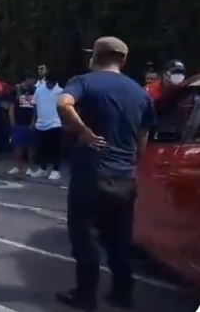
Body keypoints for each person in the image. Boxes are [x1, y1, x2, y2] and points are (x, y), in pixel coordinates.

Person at [55, 37, 154, 310]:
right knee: (120, 239)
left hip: (92, 174)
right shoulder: (141, 93)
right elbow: (142, 137)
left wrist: (84, 131)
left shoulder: (84, 81)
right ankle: (123, 294)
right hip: (124, 176)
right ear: (123, 60)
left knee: (84, 235)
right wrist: (134, 164)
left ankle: (86, 295)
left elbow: (64, 104)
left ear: (95, 57)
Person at [30, 73, 63, 180]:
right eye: (48, 83)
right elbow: (34, 105)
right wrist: (33, 121)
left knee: (55, 148)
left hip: (55, 122)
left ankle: (56, 170)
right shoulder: (39, 90)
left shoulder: (60, 91)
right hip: (41, 123)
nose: (50, 85)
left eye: (52, 84)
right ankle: (43, 169)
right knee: (42, 148)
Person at [7, 72, 37, 176]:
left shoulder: (35, 90)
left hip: (29, 122)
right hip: (18, 121)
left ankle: (29, 167)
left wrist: (33, 121)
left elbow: (36, 107)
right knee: (17, 145)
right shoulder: (16, 89)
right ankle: (18, 166)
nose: (34, 82)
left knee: (30, 146)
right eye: (32, 79)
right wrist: (12, 122)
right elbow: (11, 106)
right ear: (27, 79)